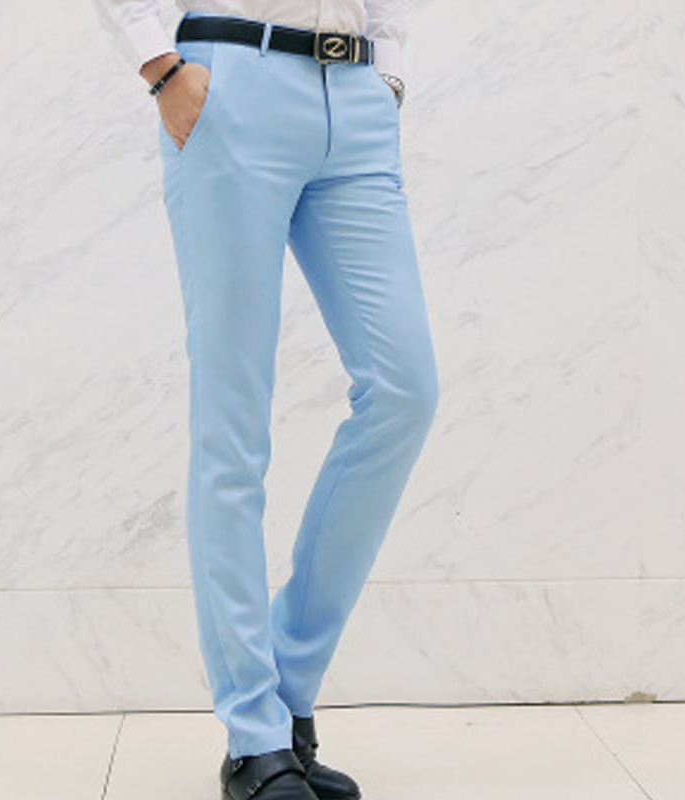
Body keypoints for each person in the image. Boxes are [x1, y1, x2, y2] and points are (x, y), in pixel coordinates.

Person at [91, 3, 440, 799]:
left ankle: (288, 690)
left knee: (405, 389)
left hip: (354, 98)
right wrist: (162, 70)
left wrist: (387, 71)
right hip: (228, 86)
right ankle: (254, 734)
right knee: (234, 419)